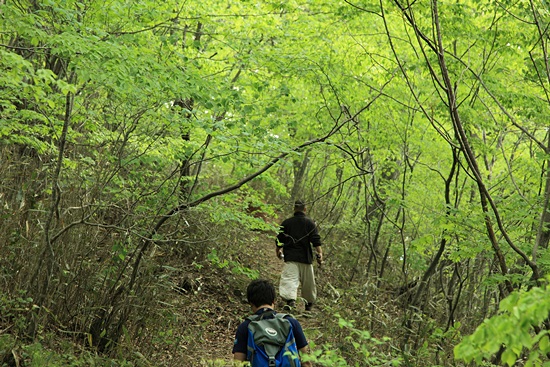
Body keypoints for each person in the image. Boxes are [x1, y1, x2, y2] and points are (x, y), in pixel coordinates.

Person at [232, 279, 312, 366]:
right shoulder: (291, 323)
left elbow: (238, 362)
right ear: (274, 300)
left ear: (251, 303)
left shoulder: (245, 326)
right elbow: (306, 362)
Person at [276, 200, 323, 312]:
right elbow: (316, 241)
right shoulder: (310, 223)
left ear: (294, 209)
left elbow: (279, 239)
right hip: (306, 258)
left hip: (291, 257)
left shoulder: (286, 223)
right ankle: (308, 305)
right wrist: (320, 254)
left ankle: (290, 301)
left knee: (290, 279)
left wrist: (278, 250)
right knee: (308, 284)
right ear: (305, 209)